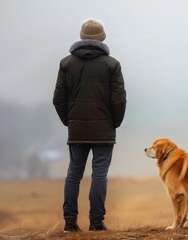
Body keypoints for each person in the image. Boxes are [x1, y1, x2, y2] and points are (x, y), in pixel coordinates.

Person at [53, 19, 126, 232]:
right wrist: (115, 122)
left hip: (76, 128)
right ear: (102, 37)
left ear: (82, 37)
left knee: (74, 174)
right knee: (99, 174)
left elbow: (58, 99)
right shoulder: (112, 64)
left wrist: (70, 121)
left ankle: (69, 223)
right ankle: (96, 223)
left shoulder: (66, 63)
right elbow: (118, 99)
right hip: (104, 129)